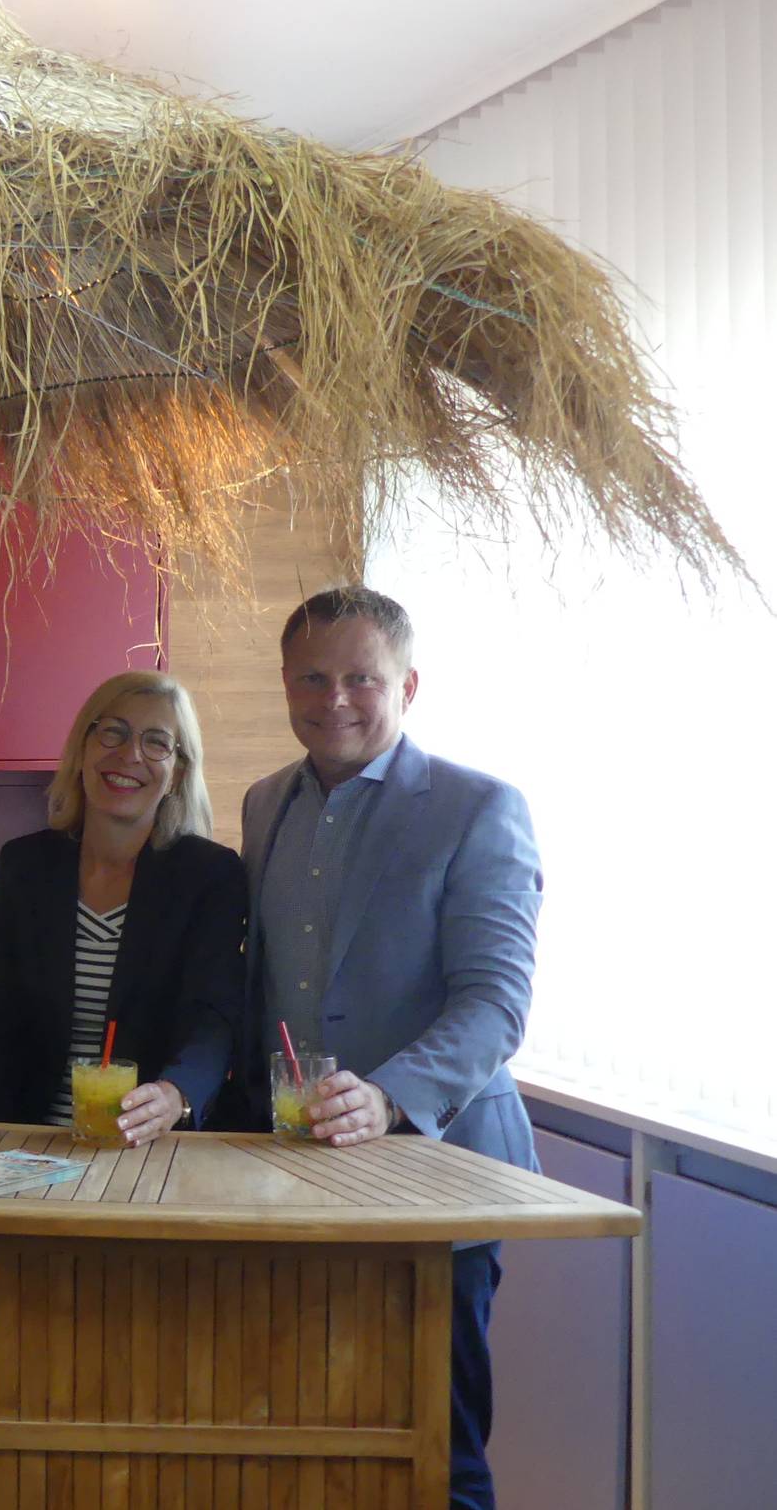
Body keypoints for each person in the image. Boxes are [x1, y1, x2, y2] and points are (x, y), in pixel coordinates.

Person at [241, 584, 542, 1510]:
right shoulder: (262, 805)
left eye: (361, 678)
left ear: (408, 685)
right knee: (313, 1444)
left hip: (439, 1179)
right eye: (313, 677)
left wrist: (390, 1094)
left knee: (437, 1456)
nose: (335, 699)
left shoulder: (478, 806)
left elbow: (495, 1003)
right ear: (286, 685)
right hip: (296, 1185)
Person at [0, 670, 247, 1140]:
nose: (129, 755)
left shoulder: (211, 875)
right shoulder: (25, 864)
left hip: (149, 1140)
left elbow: (214, 1016)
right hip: (29, 1140)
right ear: (83, 748)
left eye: (157, 742)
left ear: (178, 772)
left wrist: (178, 1092)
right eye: (113, 732)